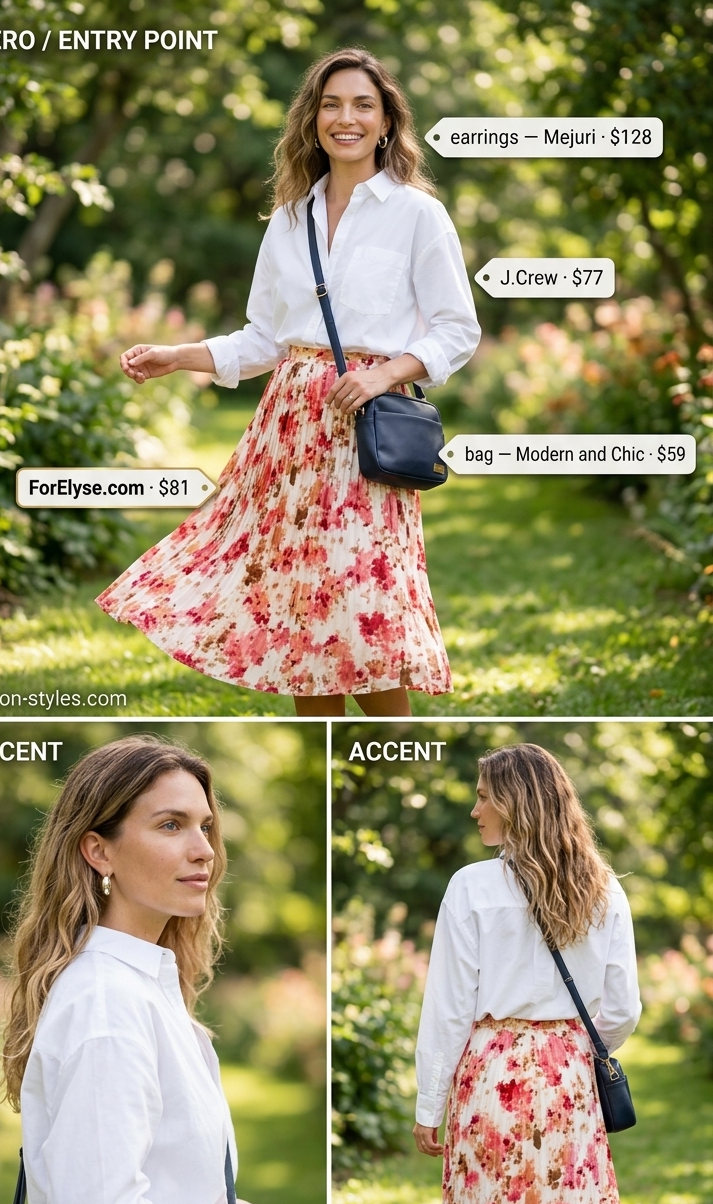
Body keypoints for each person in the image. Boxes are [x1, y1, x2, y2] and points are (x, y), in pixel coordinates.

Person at [96, 47, 480, 719]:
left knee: (368, 615)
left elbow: (456, 328)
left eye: (363, 104)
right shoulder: (287, 219)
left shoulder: (418, 215)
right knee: (303, 619)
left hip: (367, 432)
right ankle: (332, 776)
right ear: (313, 119)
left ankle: (395, 765)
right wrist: (176, 355)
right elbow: (264, 341)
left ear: (387, 121)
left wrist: (383, 375)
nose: (346, 118)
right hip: (291, 440)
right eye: (331, 104)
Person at [1, 736, 290, 1204]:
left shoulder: (142, 988)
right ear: (98, 849)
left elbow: (135, 1172)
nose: (204, 851)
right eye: (171, 825)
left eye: (205, 826)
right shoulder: (107, 1003)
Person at [413, 743, 641, 1204]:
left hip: (490, 1076)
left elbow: (449, 1009)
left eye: (484, 795)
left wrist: (429, 1102)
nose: (474, 809)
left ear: (516, 803)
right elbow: (622, 1008)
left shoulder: (472, 886)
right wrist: (569, 1049)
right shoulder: (602, 885)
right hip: (568, 1080)